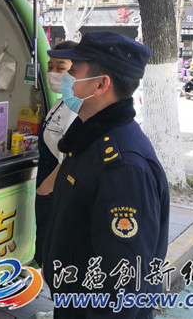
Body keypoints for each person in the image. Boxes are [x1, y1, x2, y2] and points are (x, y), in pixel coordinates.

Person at [42, 31, 169, 318]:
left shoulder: (122, 166)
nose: (65, 79)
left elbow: (123, 284)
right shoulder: (89, 137)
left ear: (101, 84)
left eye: (73, 72)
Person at [33, 40, 78, 267]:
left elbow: (69, 157)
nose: (53, 73)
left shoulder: (76, 107)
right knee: (45, 244)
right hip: (49, 182)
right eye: (50, 66)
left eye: (61, 67)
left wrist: (44, 190)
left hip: (55, 188)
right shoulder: (62, 102)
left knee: (52, 251)